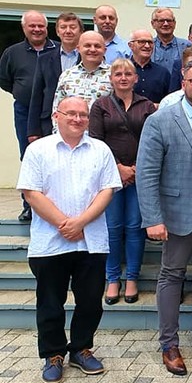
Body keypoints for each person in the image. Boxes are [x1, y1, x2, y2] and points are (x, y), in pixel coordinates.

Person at [136, 59, 192, 376]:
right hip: (178, 213)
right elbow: (147, 173)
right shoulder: (161, 120)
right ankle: (169, 344)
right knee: (172, 274)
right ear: (183, 83)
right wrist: (152, 218)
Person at [18, 96, 121, 383]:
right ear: (56, 116)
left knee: (90, 301)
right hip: (50, 243)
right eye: (71, 113)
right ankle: (53, 354)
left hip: (91, 240)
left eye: (83, 115)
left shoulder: (100, 150)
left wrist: (81, 222)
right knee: (50, 303)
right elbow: (31, 193)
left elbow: (107, 191)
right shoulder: (38, 149)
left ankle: (81, 349)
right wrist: (65, 224)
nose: (77, 119)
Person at [89, 59, 156, 305]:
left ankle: (132, 279)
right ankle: (113, 278)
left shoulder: (147, 105)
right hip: (110, 175)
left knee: (135, 226)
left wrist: (136, 168)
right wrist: (119, 167)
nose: (123, 78)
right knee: (113, 227)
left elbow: (152, 139)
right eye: (118, 74)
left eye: (128, 73)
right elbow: (96, 140)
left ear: (136, 78)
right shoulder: (101, 105)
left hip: (140, 174)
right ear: (111, 78)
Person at [0, 10, 58, 221]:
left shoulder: (58, 49)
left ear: (47, 28)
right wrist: (22, 92)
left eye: (40, 25)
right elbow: (4, 79)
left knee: (56, 157)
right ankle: (30, 206)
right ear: (24, 28)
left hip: (53, 112)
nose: (37, 29)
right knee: (29, 156)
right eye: (32, 26)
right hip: (25, 111)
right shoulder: (12, 52)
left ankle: (54, 204)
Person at [28, 12, 83, 142]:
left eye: (73, 27)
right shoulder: (44, 59)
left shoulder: (88, 58)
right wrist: (33, 130)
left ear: (81, 31)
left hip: (80, 120)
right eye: (63, 27)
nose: (68, 31)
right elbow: (37, 95)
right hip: (50, 122)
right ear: (58, 31)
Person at [52, 31, 113, 120]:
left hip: (102, 128)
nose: (92, 49)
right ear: (78, 49)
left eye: (97, 46)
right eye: (87, 45)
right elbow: (57, 109)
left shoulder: (114, 75)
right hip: (71, 128)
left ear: (105, 50)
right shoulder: (67, 75)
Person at [128, 29, 170, 105]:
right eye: (142, 42)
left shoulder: (163, 73)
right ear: (131, 45)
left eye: (150, 42)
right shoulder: (122, 71)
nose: (147, 46)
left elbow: (170, 101)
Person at [151, 7, 192, 75]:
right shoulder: (148, 46)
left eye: (169, 20)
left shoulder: (187, 46)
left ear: (174, 23)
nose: (166, 24)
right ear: (153, 24)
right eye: (161, 21)